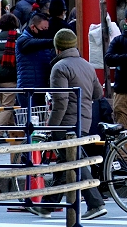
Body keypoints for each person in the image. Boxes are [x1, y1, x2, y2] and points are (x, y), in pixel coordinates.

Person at [42, 29, 107, 220]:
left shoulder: (60, 68)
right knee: (66, 162)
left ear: (57, 47)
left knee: (75, 161)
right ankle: (47, 205)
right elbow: (98, 94)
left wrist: (52, 127)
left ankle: (96, 203)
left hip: (66, 123)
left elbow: (60, 102)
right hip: (84, 121)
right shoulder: (87, 65)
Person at [16, 13, 54, 114]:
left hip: (41, 89)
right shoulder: (23, 41)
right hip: (28, 89)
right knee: (30, 121)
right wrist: (53, 42)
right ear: (33, 27)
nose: (45, 31)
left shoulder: (41, 42)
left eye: (47, 29)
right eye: (43, 29)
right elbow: (30, 44)